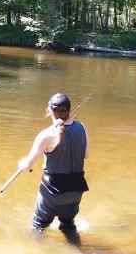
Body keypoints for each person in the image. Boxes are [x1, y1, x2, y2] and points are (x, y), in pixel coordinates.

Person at [17, 93, 89, 246]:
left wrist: (22, 163)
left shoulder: (46, 135)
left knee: (38, 226)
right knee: (69, 226)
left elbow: (28, 165)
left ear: (50, 111)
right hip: (76, 191)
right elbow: (86, 155)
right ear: (69, 110)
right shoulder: (81, 127)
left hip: (52, 192)